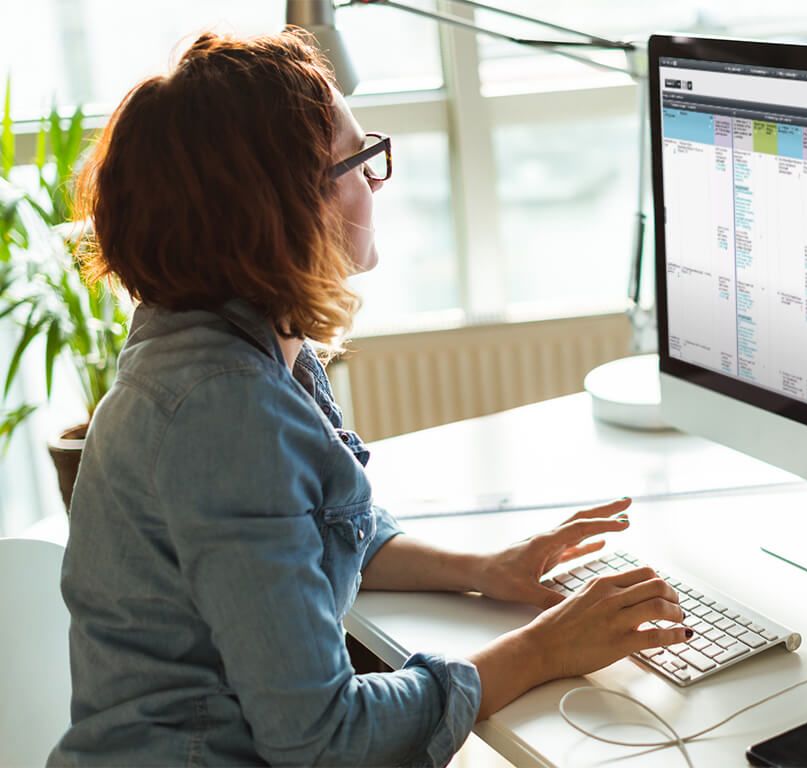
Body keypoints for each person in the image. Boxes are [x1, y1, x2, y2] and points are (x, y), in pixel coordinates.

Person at [48, 30, 688, 767]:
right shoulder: (225, 413)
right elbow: (323, 738)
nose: (378, 182)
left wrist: (483, 569)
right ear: (287, 208)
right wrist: (545, 648)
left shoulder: (223, 337)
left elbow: (312, 532)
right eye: (359, 161)